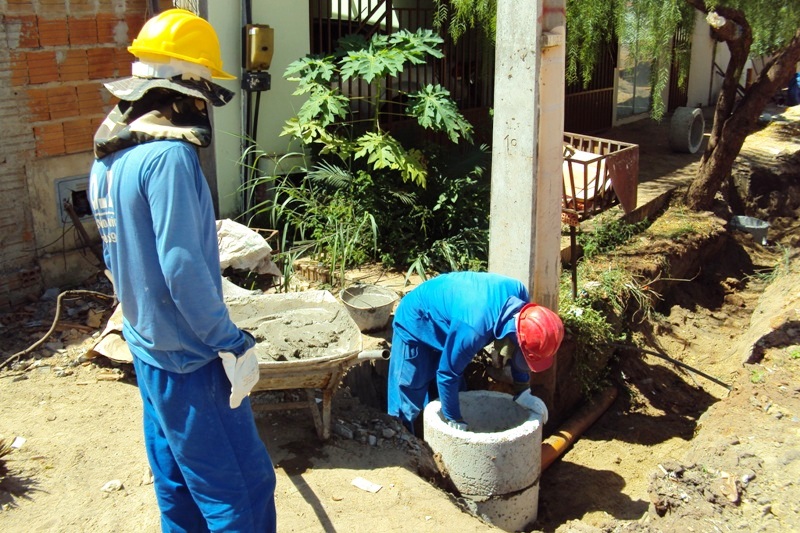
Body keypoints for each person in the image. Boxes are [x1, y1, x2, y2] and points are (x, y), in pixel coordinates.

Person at [87, 9, 276, 532]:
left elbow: (114, 259)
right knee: (240, 490)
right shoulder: (168, 158)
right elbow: (184, 268)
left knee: (179, 487)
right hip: (191, 360)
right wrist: (230, 342)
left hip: (147, 349)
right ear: (183, 90)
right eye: (203, 90)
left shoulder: (109, 157)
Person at [387, 271, 564, 432]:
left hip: (449, 320)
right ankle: (401, 438)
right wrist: (453, 418)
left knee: (459, 393)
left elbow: (519, 348)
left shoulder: (519, 297)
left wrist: (523, 390)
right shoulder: (474, 328)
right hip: (416, 320)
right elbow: (447, 374)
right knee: (409, 392)